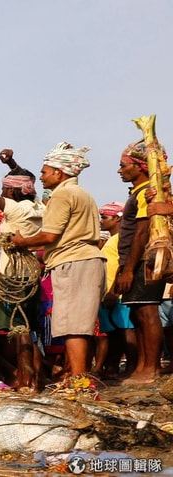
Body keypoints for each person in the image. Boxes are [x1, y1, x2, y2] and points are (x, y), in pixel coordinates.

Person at [11, 142, 106, 378]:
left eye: (44, 172)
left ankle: (78, 380)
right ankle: (78, 377)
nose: (41, 177)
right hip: (85, 259)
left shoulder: (62, 194)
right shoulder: (82, 194)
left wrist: (22, 241)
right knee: (80, 324)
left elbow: (49, 235)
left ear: (59, 172)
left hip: (74, 261)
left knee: (74, 325)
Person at [0, 146, 44, 391]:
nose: (2, 192)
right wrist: (12, 164)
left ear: (12, 191)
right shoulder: (38, 206)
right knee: (26, 327)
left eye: (4, 189)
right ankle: (31, 377)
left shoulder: (14, 208)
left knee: (19, 328)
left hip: (12, 276)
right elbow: (27, 182)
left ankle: (26, 379)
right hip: (29, 274)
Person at [114, 140, 166, 384]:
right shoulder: (138, 193)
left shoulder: (148, 193)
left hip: (144, 260)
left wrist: (128, 269)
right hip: (134, 261)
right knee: (137, 314)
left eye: (124, 165)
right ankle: (143, 366)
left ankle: (151, 369)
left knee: (147, 312)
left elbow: (141, 233)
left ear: (140, 167)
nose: (120, 170)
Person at [96, 201, 136, 379]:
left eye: (104, 217)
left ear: (118, 218)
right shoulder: (112, 240)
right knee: (114, 333)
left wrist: (114, 291)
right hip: (108, 294)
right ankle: (111, 367)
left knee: (126, 330)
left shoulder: (122, 238)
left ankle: (133, 367)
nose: (101, 220)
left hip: (117, 294)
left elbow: (123, 265)